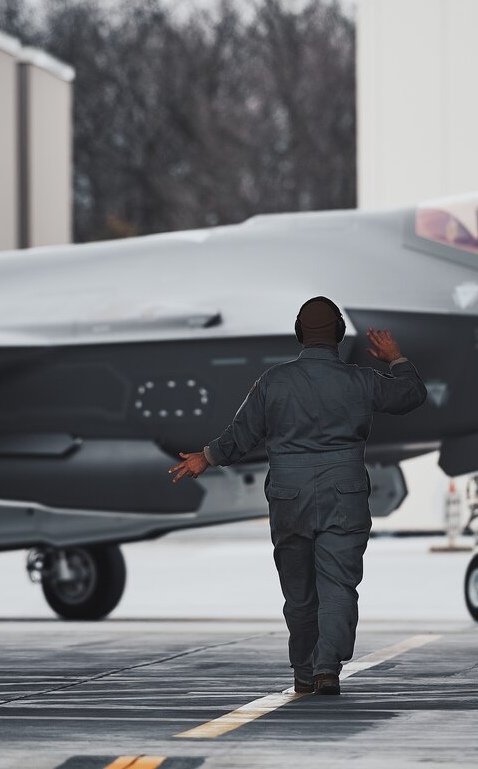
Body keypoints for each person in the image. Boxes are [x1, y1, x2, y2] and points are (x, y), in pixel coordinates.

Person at [168, 296, 426, 695]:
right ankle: (327, 668)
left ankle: (304, 672)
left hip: (290, 498)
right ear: (338, 335)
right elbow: (412, 395)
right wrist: (395, 358)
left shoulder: (274, 381)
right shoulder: (360, 381)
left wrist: (206, 457)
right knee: (338, 587)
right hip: (345, 495)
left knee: (299, 592)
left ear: (299, 333)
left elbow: (242, 434)